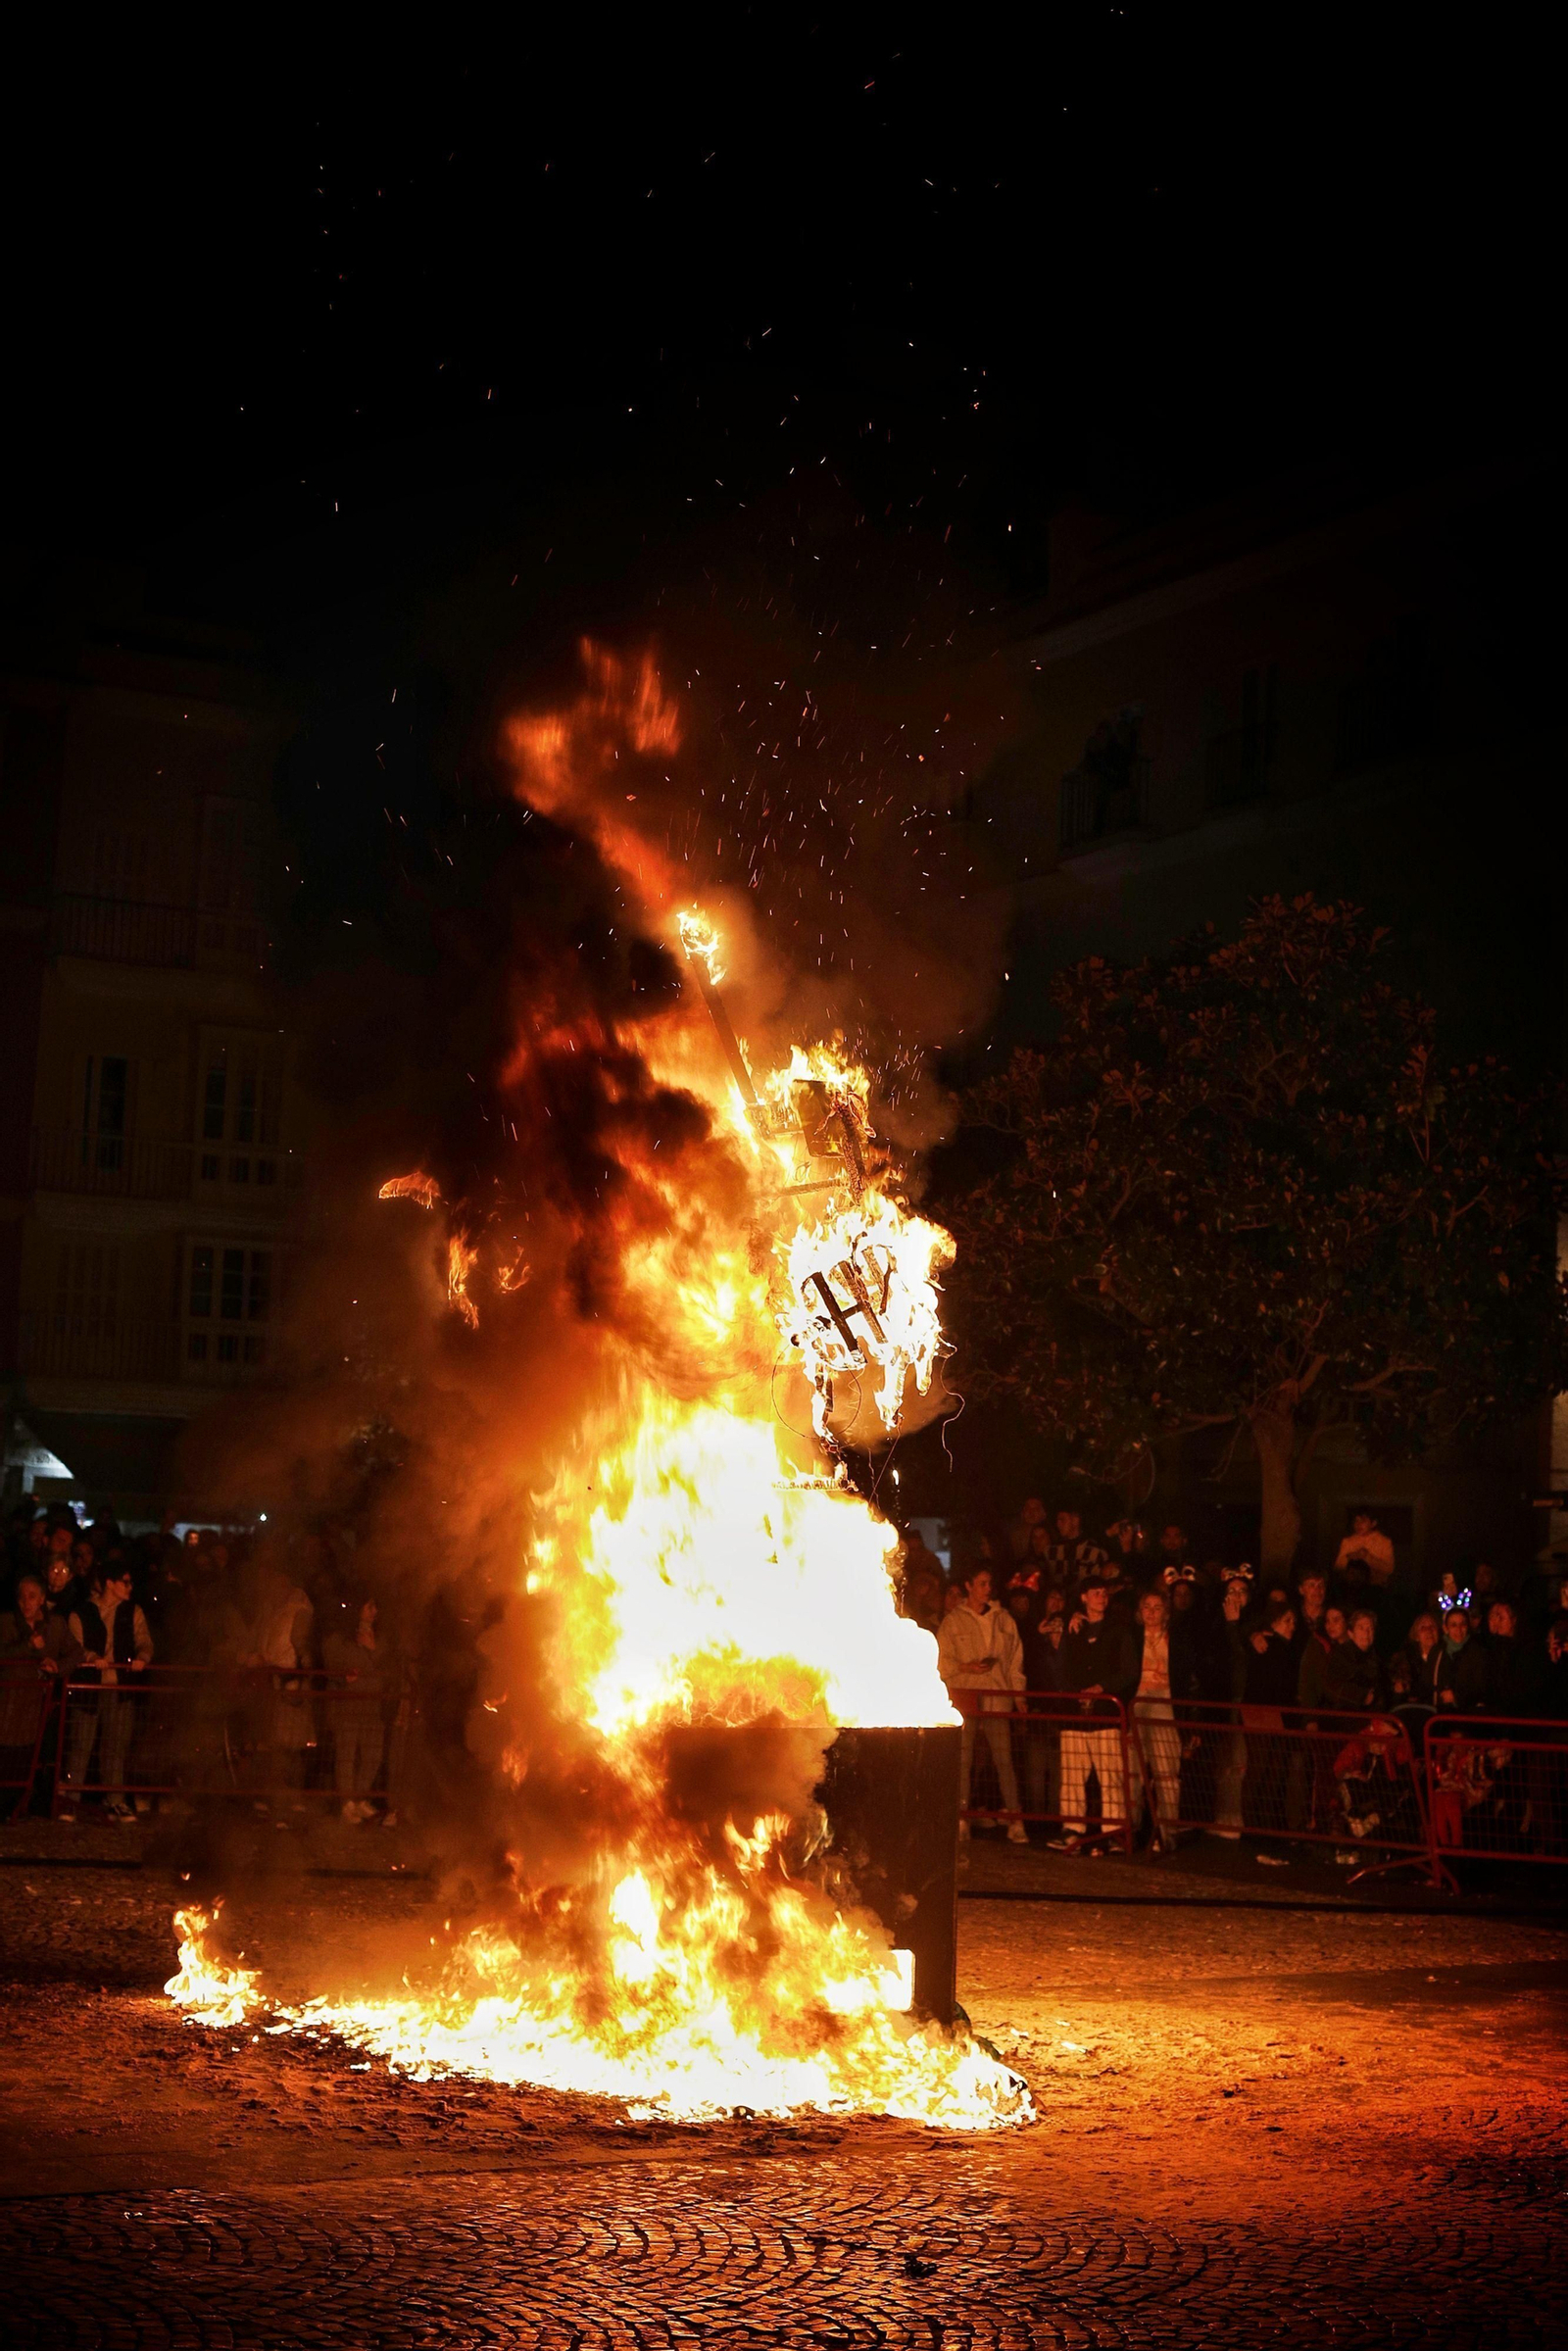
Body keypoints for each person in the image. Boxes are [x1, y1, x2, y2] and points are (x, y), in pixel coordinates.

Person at [936, 1567, 1027, 1844]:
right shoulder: (953, 1622)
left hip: (997, 1695)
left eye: (990, 1583)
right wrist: (965, 1667)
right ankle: (961, 1818)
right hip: (965, 1695)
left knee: (1004, 1759)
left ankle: (1015, 1818)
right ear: (969, 1586)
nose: (988, 1588)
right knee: (963, 1760)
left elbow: (1015, 1663)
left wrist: (1019, 1696)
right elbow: (942, 1661)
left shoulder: (1003, 1620)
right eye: (982, 1583)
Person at [61, 1565, 153, 1821]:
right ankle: (71, 1800)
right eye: (125, 1581)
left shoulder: (132, 1611)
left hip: (119, 1687)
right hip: (89, 1687)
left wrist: (143, 1657)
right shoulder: (82, 1612)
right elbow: (75, 1645)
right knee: (81, 1745)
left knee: (116, 1746)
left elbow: (144, 1640)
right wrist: (92, 1657)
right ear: (110, 1583)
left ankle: (115, 1799)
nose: (130, 1586)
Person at [1054, 1575, 1136, 1853]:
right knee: (1073, 1776)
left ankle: (1114, 1831)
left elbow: (1128, 1670)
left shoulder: (1118, 1629)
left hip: (1105, 1713)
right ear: (1084, 1597)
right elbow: (1061, 1666)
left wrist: (1103, 1686)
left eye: (1104, 1592)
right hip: (1074, 1714)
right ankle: (1072, 1830)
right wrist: (1073, 1692)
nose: (1102, 1597)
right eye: (1095, 1592)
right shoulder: (1073, 1627)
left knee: (1110, 1775)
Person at [322, 1596, 392, 1823]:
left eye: (376, 1606)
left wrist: (373, 1650)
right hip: (348, 1704)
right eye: (369, 1606)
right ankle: (346, 1803)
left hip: (373, 1705)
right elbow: (331, 1666)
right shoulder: (341, 1638)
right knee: (347, 1756)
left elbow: (388, 1667)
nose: (374, 1611)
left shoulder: (380, 1639)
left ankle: (359, 1797)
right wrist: (343, 1676)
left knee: (373, 1755)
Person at [1128, 1588, 1184, 1849]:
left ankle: (1166, 1831)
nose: (1151, 1612)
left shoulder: (1176, 1638)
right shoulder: (1130, 1636)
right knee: (1132, 1772)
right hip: (1136, 1704)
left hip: (1165, 1703)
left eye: (1157, 1607)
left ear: (1166, 1612)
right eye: (1147, 1607)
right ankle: (1131, 1827)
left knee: (1166, 1772)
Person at [1434, 1607, 1488, 1710]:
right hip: (1439, 1714)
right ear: (1445, 1628)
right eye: (1453, 1625)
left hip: (1466, 1714)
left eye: (1462, 1625)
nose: (1458, 1630)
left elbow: (1482, 1688)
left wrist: (1457, 1697)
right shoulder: (1438, 1652)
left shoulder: (1477, 1653)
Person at [1043, 1509, 1108, 1587]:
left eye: (1062, 1520)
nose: (1058, 1524)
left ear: (1075, 1521)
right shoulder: (1051, 1551)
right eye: (1057, 1520)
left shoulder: (1094, 1551)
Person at [1335, 1512, 1396, 1585]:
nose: (1358, 1524)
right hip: (1351, 1586)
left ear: (1373, 1523)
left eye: (1363, 1521)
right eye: (1356, 1521)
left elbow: (1389, 1569)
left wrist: (1367, 1557)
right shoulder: (1347, 1542)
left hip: (1376, 1587)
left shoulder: (1384, 1542)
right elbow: (1338, 1567)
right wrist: (1350, 1557)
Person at [1007, 1496, 1048, 1566]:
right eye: (1027, 1508)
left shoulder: (1050, 1534)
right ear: (1022, 1513)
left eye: (1036, 1509)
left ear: (1043, 1514)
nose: (1031, 1512)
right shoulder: (1014, 1537)